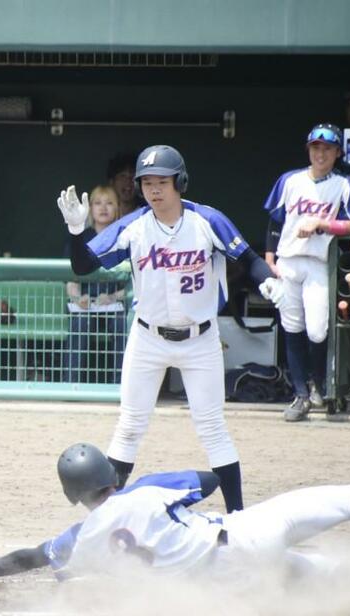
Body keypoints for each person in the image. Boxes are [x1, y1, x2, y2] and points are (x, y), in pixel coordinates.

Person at [57, 145, 286, 513]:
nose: (154, 190)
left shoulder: (206, 220)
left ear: (179, 182)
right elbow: (83, 267)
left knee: (212, 428)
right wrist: (76, 229)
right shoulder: (133, 226)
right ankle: (107, 517)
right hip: (148, 337)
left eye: (162, 181)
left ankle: (239, 518)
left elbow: (248, 258)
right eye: (147, 183)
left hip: (200, 339)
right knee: (129, 427)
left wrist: (268, 281)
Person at [0, 443, 350, 582]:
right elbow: (209, 480)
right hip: (246, 534)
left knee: (320, 579)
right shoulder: (145, 490)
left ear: (73, 494)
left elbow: (29, 558)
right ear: (109, 474)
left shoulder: (80, 540)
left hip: (226, 581)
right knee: (346, 499)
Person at [262, 124, 350, 421]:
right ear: (309, 149)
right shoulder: (290, 180)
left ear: (337, 153)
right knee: (292, 328)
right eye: (316, 147)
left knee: (318, 329)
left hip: (319, 261)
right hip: (288, 260)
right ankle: (301, 395)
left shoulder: (344, 184)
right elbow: (275, 220)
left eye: (327, 148)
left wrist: (322, 224)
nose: (321, 153)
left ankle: (318, 383)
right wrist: (269, 258)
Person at [64, 185, 127, 384]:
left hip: (114, 303)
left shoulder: (124, 237)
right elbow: (71, 280)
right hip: (85, 303)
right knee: (80, 322)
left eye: (109, 203)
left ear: (117, 208)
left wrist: (112, 298)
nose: (103, 208)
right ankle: (70, 384)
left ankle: (121, 384)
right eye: (98, 203)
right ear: (89, 208)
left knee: (120, 323)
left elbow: (134, 282)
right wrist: (77, 298)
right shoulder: (81, 238)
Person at [106, 151, 143, 217]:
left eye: (132, 176)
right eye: (122, 176)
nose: (128, 181)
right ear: (111, 182)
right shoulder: (101, 215)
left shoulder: (146, 214)